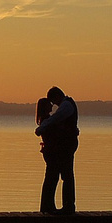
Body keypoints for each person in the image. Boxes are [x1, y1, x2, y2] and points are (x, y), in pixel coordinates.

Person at [35, 85, 78, 214]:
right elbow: (57, 124)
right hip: (55, 151)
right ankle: (57, 206)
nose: (53, 105)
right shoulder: (49, 119)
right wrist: (72, 130)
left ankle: (51, 206)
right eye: (50, 103)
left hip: (57, 150)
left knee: (54, 177)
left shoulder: (64, 107)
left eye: (53, 102)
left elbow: (57, 122)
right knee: (56, 177)